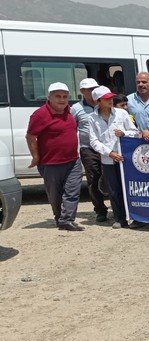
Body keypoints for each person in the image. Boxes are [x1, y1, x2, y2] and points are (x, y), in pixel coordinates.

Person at [26, 82, 84, 231]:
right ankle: (59, 217)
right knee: (55, 195)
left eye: (65, 96)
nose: (62, 99)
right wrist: (36, 157)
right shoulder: (40, 114)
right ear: (49, 97)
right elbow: (31, 136)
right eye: (57, 96)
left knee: (72, 191)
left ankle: (67, 219)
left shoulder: (70, 111)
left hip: (73, 161)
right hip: (50, 163)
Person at [88, 85, 139, 229]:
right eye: (106, 99)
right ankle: (119, 218)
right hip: (108, 159)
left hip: (124, 157)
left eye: (111, 98)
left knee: (127, 188)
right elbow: (94, 140)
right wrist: (109, 153)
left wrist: (124, 134)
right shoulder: (92, 118)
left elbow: (134, 131)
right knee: (113, 189)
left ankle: (134, 217)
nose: (110, 100)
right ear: (99, 101)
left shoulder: (121, 113)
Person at [71, 77, 109, 223]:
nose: (93, 92)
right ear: (82, 91)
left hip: (107, 148)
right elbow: (72, 127)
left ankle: (118, 207)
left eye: (95, 88)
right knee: (93, 179)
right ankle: (100, 209)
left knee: (111, 178)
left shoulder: (105, 104)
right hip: (88, 149)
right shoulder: (76, 108)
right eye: (89, 90)